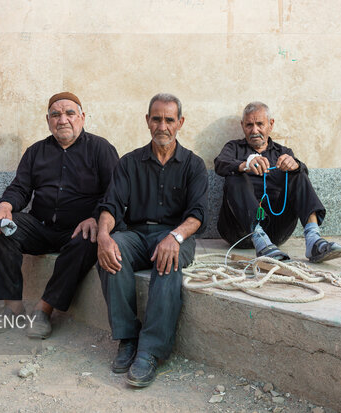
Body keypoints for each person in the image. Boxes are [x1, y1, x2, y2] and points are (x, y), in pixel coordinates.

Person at [0, 92, 119, 339]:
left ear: (82, 117)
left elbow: (115, 193)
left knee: (90, 239)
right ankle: (13, 306)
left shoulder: (100, 149)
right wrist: (4, 205)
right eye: (55, 114)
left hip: (79, 229)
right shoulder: (36, 151)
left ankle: (44, 309)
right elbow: (20, 187)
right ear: (48, 120)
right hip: (41, 226)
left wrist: (96, 217)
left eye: (70, 113)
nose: (63, 120)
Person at [96, 93, 208, 388]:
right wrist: (104, 235)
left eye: (169, 119)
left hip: (175, 235)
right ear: (147, 121)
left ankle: (150, 351)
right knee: (112, 250)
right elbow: (111, 206)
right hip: (136, 234)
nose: (162, 126)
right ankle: (128, 338)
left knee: (167, 260)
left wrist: (175, 236)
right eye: (156, 118)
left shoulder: (193, 165)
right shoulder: (129, 162)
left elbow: (196, 215)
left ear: (180, 123)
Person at [214, 101, 341, 263]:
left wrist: (296, 165)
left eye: (260, 124)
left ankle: (313, 240)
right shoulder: (234, 148)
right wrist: (244, 165)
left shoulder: (283, 152)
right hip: (238, 231)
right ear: (242, 126)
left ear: (271, 124)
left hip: (276, 231)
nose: (254, 130)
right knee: (235, 174)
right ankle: (260, 240)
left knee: (298, 172)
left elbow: (302, 174)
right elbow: (220, 163)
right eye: (249, 125)